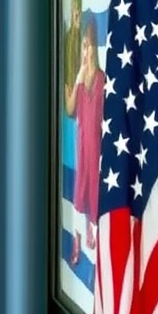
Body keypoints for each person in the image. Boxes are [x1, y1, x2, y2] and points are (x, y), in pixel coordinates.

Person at [64, 16, 104, 267]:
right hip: (82, 146)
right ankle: (78, 237)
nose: (86, 50)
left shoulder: (100, 79)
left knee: (94, 191)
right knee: (80, 191)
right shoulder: (81, 82)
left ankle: (92, 230)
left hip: (95, 148)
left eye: (89, 45)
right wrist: (78, 73)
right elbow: (69, 109)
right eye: (83, 46)